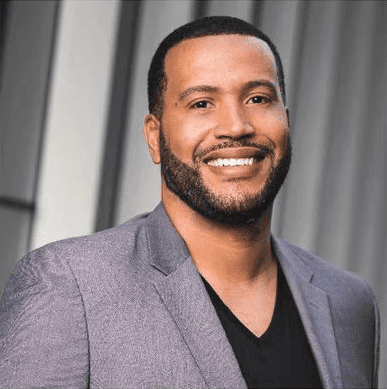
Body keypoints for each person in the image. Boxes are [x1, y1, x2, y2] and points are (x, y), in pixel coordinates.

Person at [0, 16, 379, 388]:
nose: (236, 126)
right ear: (154, 137)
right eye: (201, 103)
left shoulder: (348, 301)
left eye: (258, 98)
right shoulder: (69, 285)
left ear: (287, 122)